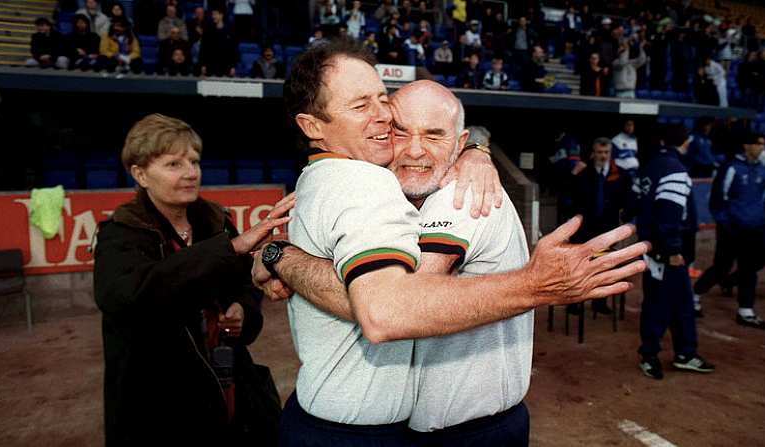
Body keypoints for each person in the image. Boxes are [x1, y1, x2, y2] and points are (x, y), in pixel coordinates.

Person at [254, 38, 647, 446]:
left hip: (468, 432)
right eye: (400, 130)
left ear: (459, 146)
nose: (414, 149)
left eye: (435, 136)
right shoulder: (368, 187)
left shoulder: (462, 197)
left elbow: (392, 308)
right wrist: (279, 252)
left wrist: (282, 258)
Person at [93, 113, 294, 446]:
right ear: (140, 174)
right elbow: (128, 296)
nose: (190, 173)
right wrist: (231, 248)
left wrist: (242, 309)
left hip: (229, 388)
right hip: (160, 407)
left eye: (194, 162)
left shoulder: (215, 222)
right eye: (173, 164)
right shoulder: (120, 235)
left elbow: (244, 286)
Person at [634, 124, 715, 380]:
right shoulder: (675, 169)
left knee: (681, 304)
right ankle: (649, 356)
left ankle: (685, 353)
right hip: (666, 253)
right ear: (685, 142)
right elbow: (668, 214)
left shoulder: (651, 165)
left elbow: (634, 204)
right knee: (660, 305)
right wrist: (672, 249)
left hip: (654, 249)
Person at [713, 132, 765, 329]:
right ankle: (695, 295)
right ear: (746, 146)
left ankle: (746, 311)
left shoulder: (763, 170)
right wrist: (727, 225)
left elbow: (764, 197)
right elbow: (717, 200)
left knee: (750, 269)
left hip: (754, 229)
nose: (762, 148)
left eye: (764, 145)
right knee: (721, 266)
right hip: (732, 229)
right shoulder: (731, 168)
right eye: (758, 144)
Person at [569, 137, 631, 314]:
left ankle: (600, 303)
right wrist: (573, 174)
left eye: (606, 152)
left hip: (607, 229)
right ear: (593, 153)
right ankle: (575, 303)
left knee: (604, 266)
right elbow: (568, 195)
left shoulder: (619, 174)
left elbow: (627, 200)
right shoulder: (582, 172)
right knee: (580, 268)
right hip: (584, 229)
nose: (603, 156)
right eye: (599, 152)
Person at [199, 9, 238, 77]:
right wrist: (203, 65)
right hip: (210, 66)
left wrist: (233, 66)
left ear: (221, 15)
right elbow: (203, 49)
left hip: (225, 67)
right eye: (212, 14)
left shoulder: (229, 30)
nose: (213, 16)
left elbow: (233, 50)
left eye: (215, 14)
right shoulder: (208, 30)